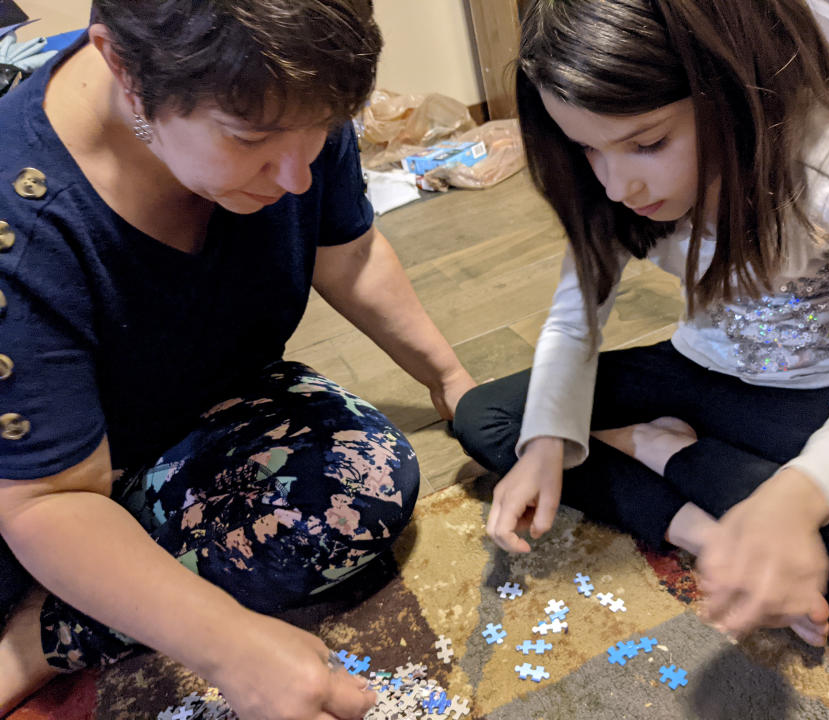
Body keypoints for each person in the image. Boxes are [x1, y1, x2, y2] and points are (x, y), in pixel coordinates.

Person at [0, 1, 475, 717]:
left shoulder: (293, 97)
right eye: (249, 138)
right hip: (41, 481)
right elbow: (46, 501)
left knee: (361, 481)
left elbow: (349, 253)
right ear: (124, 71)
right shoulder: (22, 228)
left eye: (318, 136)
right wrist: (227, 644)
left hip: (200, 404)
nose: (295, 178)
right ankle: (33, 638)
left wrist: (452, 380)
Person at [454, 0, 829, 649]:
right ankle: (693, 517)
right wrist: (547, 443)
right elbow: (574, 319)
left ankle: (662, 449)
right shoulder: (614, 185)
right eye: (587, 149)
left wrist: (794, 503)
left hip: (816, 396)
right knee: (491, 420)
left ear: (734, 85)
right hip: (693, 367)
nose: (617, 187)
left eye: (647, 143)